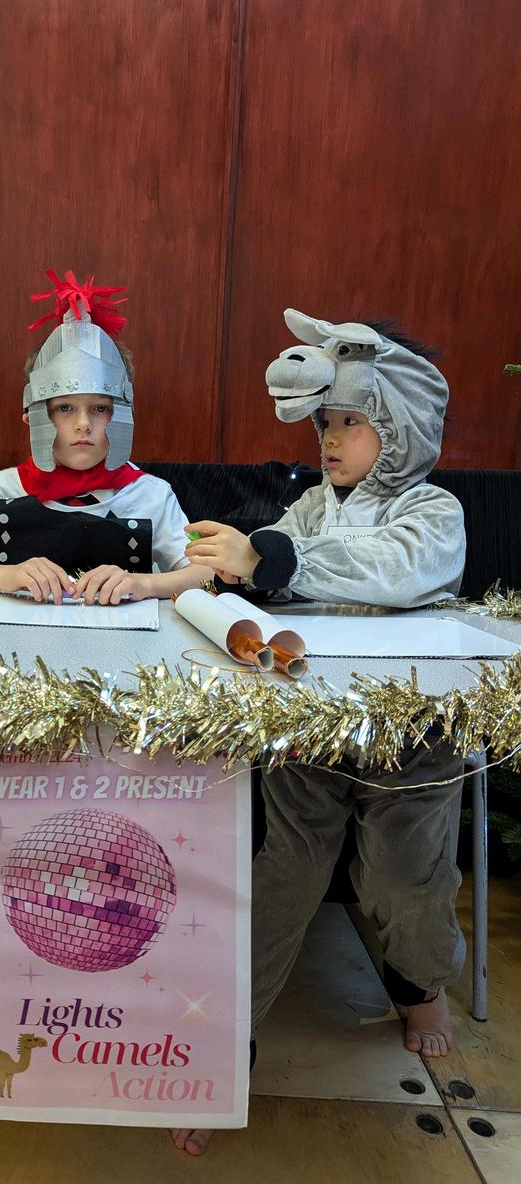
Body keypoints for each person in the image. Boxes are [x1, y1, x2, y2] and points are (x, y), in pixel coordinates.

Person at [172, 309, 467, 1156]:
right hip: (308, 727)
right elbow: (269, 562)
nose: (330, 440)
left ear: (399, 429)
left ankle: (417, 983)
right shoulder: (308, 506)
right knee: (284, 872)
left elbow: (401, 570)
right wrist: (232, 568)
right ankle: (231, 1043)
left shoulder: (434, 508)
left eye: (351, 423)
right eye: (325, 424)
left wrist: (277, 560)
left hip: (413, 735)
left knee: (405, 876)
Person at [0, 269, 211, 603]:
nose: (83, 424)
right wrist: (8, 575)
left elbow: (206, 573)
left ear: (122, 415)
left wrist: (144, 583)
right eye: (64, 408)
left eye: (100, 408)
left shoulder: (152, 494)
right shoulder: (7, 487)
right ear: (35, 417)